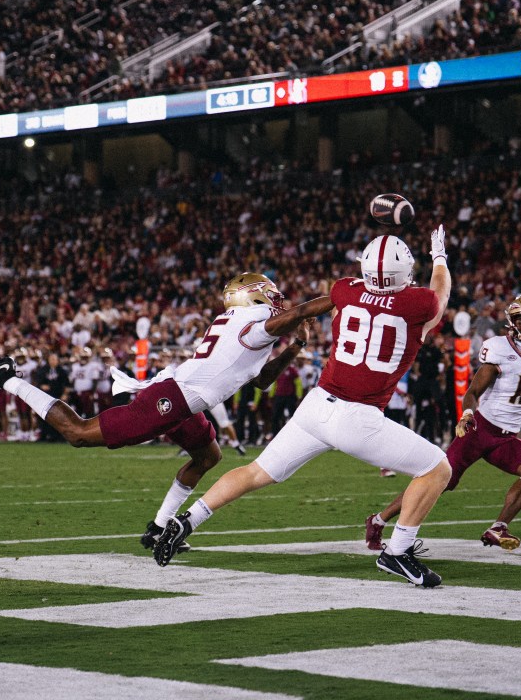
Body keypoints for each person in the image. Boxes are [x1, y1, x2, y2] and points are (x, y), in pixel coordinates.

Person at [155, 229, 454, 589]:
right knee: (437, 468)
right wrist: (440, 256)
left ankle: (187, 520)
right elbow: (440, 293)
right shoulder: (417, 305)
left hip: (315, 407)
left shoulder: (345, 289)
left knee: (255, 472)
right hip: (358, 417)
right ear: (403, 274)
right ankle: (398, 552)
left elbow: (351, 290)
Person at [0, 272, 322, 555]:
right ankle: (7, 378)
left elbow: (260, 380)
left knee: (208, 455)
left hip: (180, 395)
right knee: (79, 434)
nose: (278, 300)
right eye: (271, 293)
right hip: (171, 399)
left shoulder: (243, 324)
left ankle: (160, 527)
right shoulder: (256, 319)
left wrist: (298, 345)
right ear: (253, 294)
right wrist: (345, 296)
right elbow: (303, 311)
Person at [366, 294, 521, 554]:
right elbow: (473, 392)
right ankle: (378, 520)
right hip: (479, 429)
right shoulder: (500, 348)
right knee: (440, 481)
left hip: (507, 437)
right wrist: (467, 415)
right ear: (513, 322)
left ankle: (498, 527)